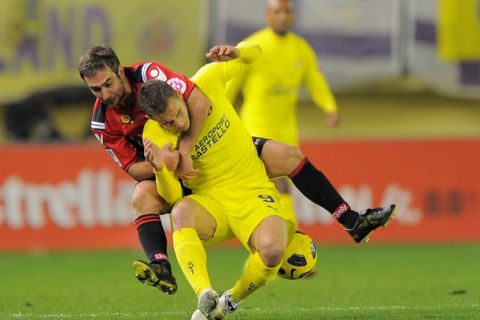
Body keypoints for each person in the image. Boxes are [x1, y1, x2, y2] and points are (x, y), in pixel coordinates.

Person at [77, 44, 394, 296]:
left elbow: (199, 101)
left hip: (217, 149)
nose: (105, 94)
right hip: (181, 175)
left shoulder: (151, 73)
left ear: (120, 71)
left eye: (107, 84)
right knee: (142, 195)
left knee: (287, 155)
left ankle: (350, 220)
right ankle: (160, 266)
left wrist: (185, 148)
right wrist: (165, 164)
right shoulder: (104, 122)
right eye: (95, 90)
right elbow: (134, 169)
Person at [140, 42, 297, 319]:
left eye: (178, 113)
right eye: (168, 123)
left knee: (272, 251)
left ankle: (229, 301)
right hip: (213, 205)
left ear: (179, 93)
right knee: (181, 211)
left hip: (251, 191)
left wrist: (239, 51)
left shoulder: (206, 80)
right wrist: (159, 169)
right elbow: (173, 196)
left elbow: (255, 55)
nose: (178, 124)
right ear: (154, 120)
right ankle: (204, 294)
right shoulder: (154, 136)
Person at [226, 0, 340, 225]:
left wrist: (330, 107)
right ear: (268, 15)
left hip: (286, 130)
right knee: (277, 182)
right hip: (256, 128)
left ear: (293, 15)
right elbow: (230, 87)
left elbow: (315, 80)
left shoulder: (300, 49)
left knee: (281, 185)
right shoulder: (254, 46)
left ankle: (274, 246)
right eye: (277, 12)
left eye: (287, 12)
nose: (282, 16)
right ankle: (289, 233)